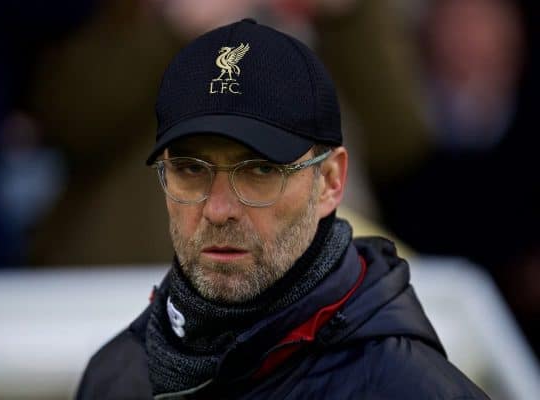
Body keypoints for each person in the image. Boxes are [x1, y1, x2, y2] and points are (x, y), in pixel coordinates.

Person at [77, 19, 488, 400]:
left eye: (260, 170)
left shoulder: (410, 389)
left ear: (330, 181)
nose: (219, 210)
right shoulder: (115, 375)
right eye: (190, 169)